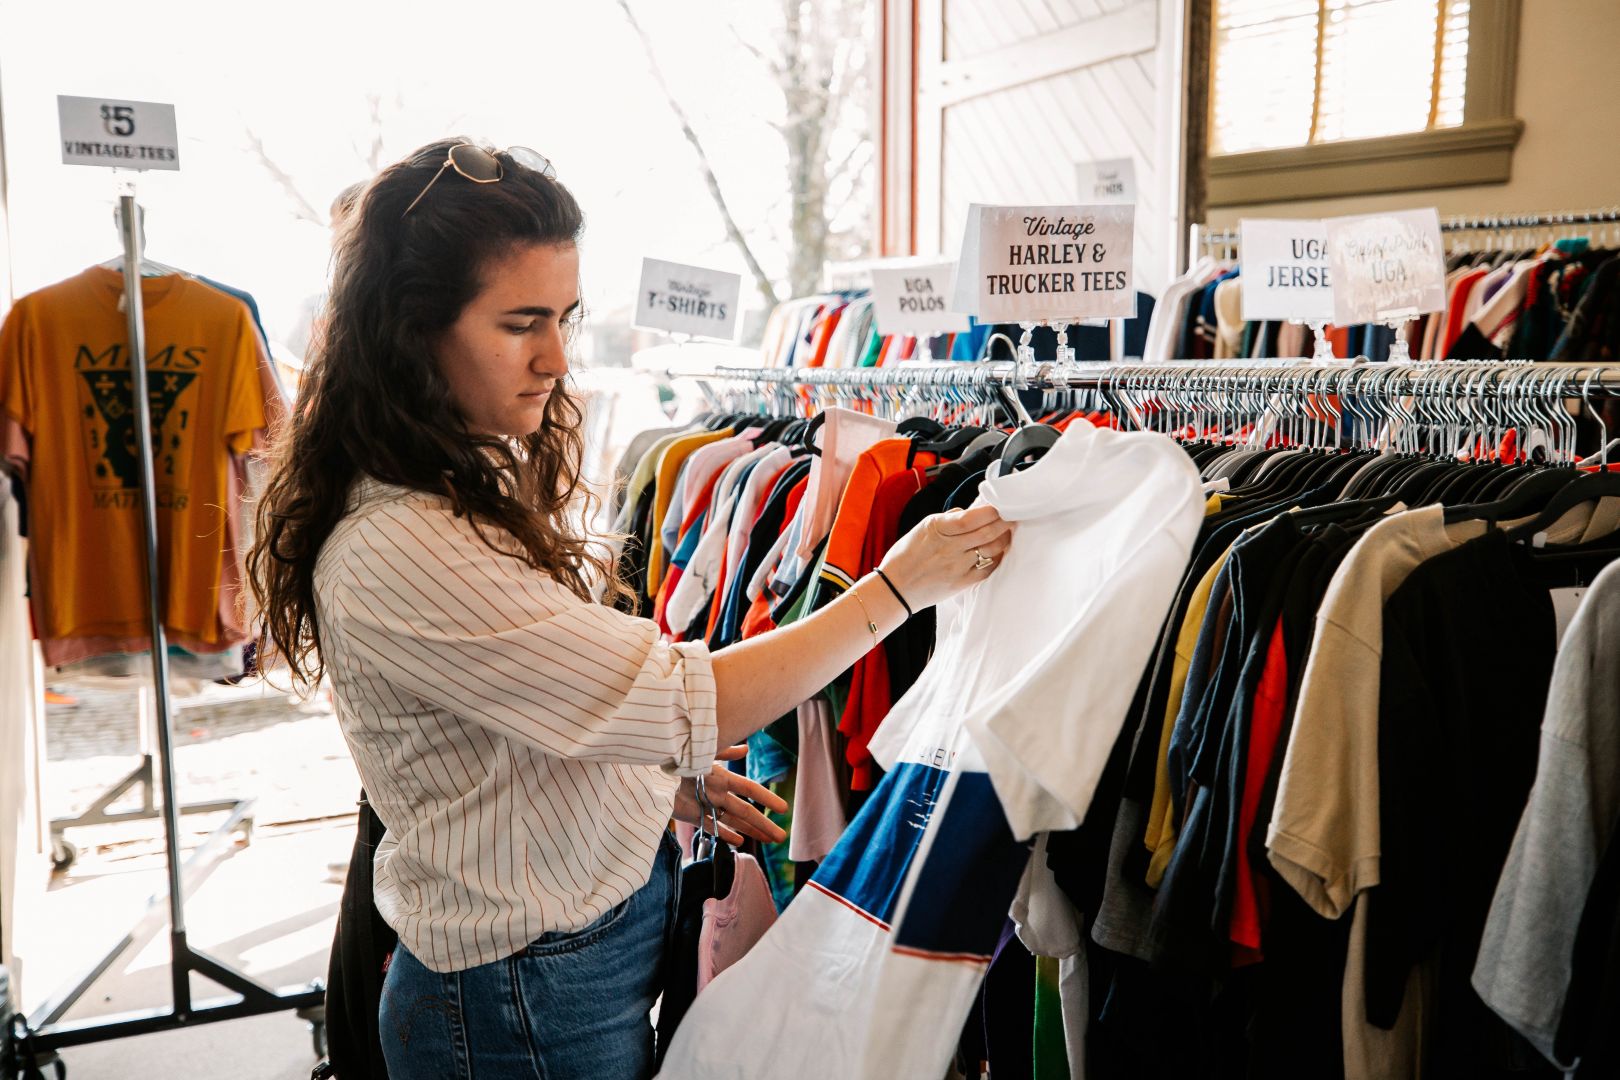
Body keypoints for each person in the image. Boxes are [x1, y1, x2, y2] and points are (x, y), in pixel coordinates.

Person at [247, 138, 1012, 1080]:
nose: (557, 358)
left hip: (555, 973)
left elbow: (523, 716)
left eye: (565, 316)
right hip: (517, 999)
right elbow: (695, 698)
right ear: (414, 330)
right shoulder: (405, 542)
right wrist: (897, 586)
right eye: (521, 323)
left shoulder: (462, 471)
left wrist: (652, 787)